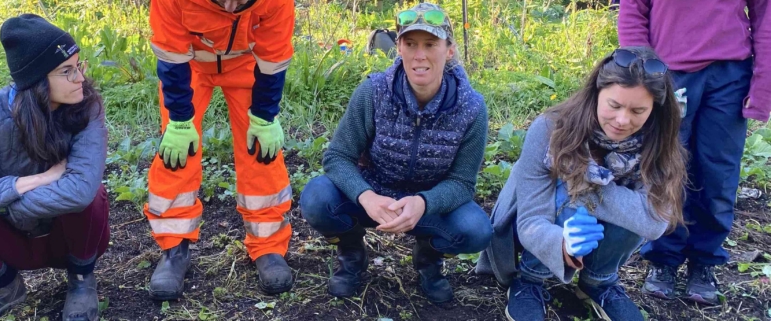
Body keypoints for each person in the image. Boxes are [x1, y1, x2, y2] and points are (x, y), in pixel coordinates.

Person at [299, 3, 492, 304]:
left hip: (428, 204)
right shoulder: (373, 92)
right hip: (374, 192)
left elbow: (462, 183)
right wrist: (366, 196)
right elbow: (337, 157)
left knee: (476, 230)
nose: (420, 55)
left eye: (431, 44)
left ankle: (429, 257)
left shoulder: (471, 109)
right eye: (410, 44)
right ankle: (351, 252)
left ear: (449, 50)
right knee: (316, 198)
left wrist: (424, 203)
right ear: (399, 47)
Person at [476, 46, 688, 320]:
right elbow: (529, 220)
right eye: (614, 105)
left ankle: (598, 281)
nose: (623, 120)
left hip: (597, 225)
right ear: (596, 93)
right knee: (565, 187)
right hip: (539, 225)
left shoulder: (658, 142)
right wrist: (562, 242)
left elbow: (654, 221)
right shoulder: (550, 128)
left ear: (655, 109)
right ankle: (530, 278)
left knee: (584, 187)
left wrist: (587, 192)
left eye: (638, 110)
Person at [0, 14, 109, 321]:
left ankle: (81, 281)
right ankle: (4, 290)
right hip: (13, 241)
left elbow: (79, 191)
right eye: (67, 71)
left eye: (79, 66)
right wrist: (33, 181)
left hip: (66, 239)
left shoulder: (88, 108)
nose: (80, 78)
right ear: (37, 81)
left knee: (92, 197)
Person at [619, 0, 769, 305]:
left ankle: (705, 261)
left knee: (719, 171)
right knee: (666, 166)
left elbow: (765, 14)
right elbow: (633, 9)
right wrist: (640, 73)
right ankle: (663, 258)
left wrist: (763, 84)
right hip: (667, 72)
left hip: (729, 76)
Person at [145, 0, 296, 298]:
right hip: (187, 67)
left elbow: (273, 55)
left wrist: (264, 117)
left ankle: (267, 247)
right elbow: (171, 54)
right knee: (177, 152)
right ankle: (174, 248)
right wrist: (179, 120)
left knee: (261, 150)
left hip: (248, 66)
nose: (231, 5)